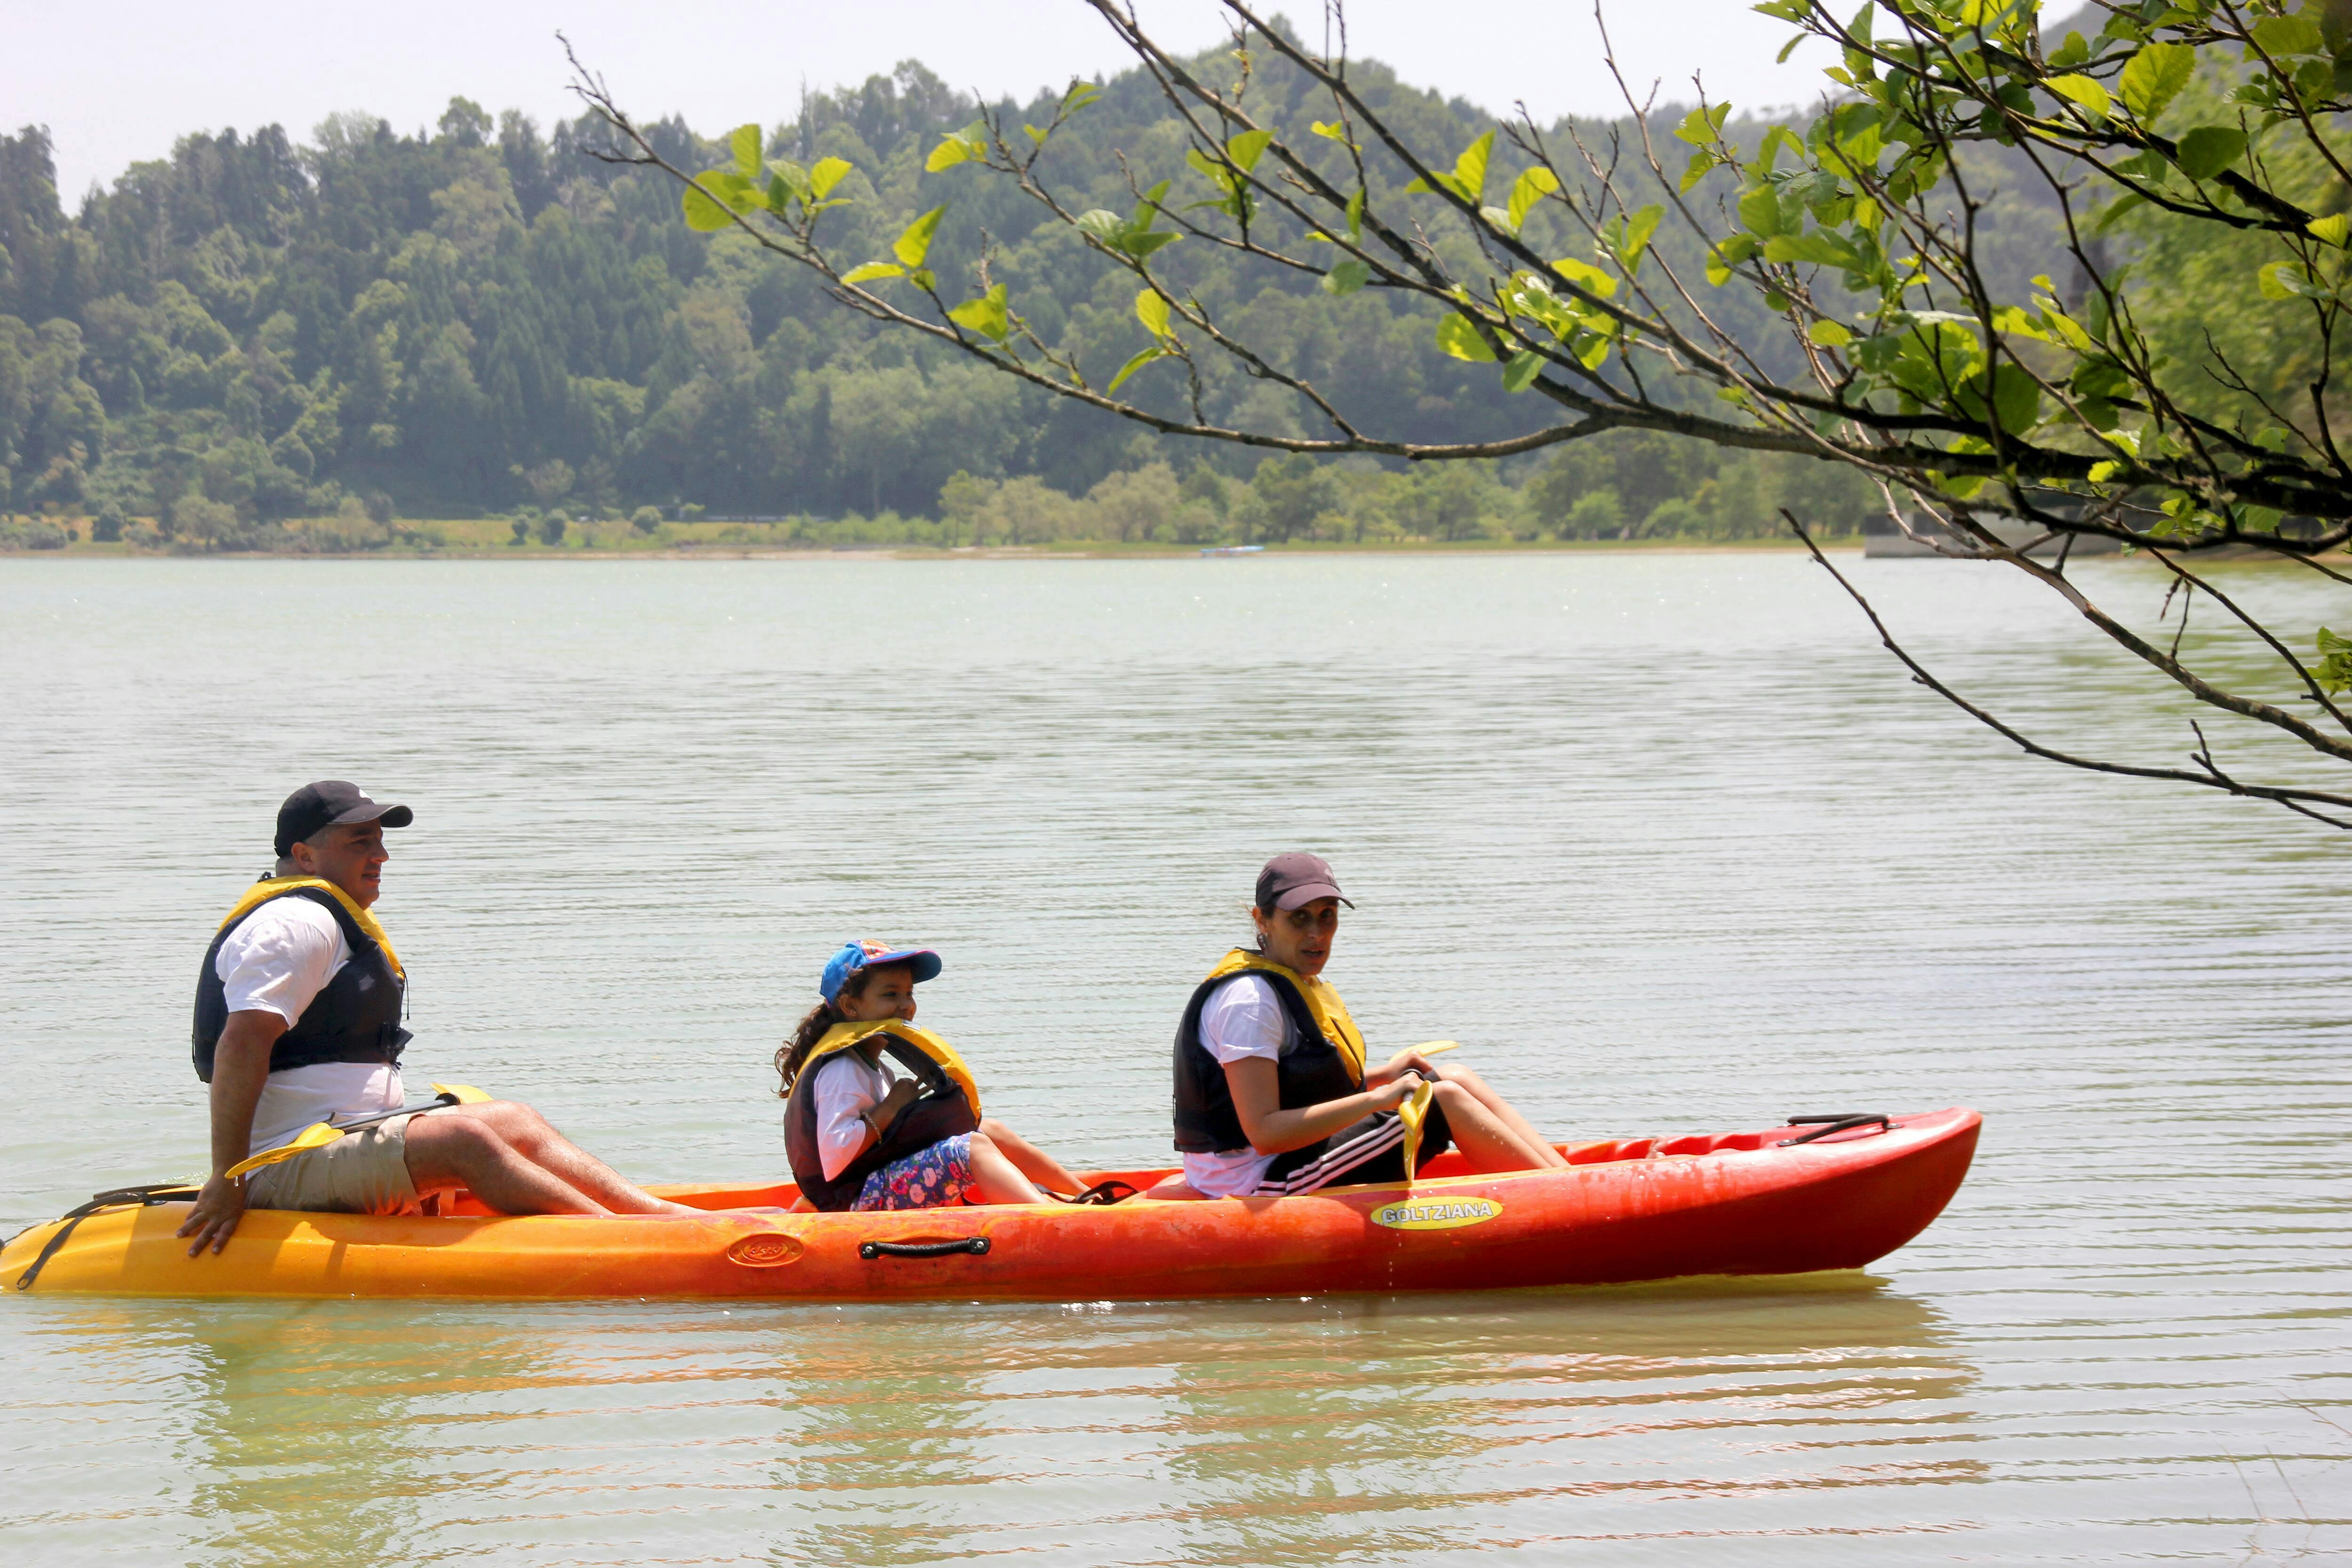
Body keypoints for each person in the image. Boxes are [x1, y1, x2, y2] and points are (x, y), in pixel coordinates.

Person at [179, 781, 703, 1258]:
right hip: (279, 1164)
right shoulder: (295, 923)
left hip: (342, 1137)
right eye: (360, 842)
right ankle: (631, 1244)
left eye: (380, 841)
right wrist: (229, 1178)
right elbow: (241, 1046)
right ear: (304, 855)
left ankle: (661, 1217)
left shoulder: (322, 916)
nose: (381, 855)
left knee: (513, 1120)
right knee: (463, 1143)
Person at [1170, 852, 1567, 1198]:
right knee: (1443, 1101)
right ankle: (1568, 1201)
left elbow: (1295, 1089)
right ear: (1263, 920)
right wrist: (1382, 1098)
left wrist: (1386, 1076)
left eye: (1327, 916)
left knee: (1454, 1077)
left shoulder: (1288, 981)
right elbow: (1265, 1131)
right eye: (1299, 919)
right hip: (1252, 1179)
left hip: (1281, 1160)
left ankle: (1572, 1183)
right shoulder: (1250, 1002)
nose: (1317, 933)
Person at [777, 941, 1084, 1210]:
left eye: (909, 993)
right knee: (971, 1148)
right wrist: (892, 1106)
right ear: (850, 1006)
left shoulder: (874, 1067)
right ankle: (1051, 1219)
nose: (905, 1005)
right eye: (890, 994)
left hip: (868, 1185)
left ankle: (1083, 1195)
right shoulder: (841, 1070)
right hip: (851, 1202)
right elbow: (835, 1157)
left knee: (987, 1129)